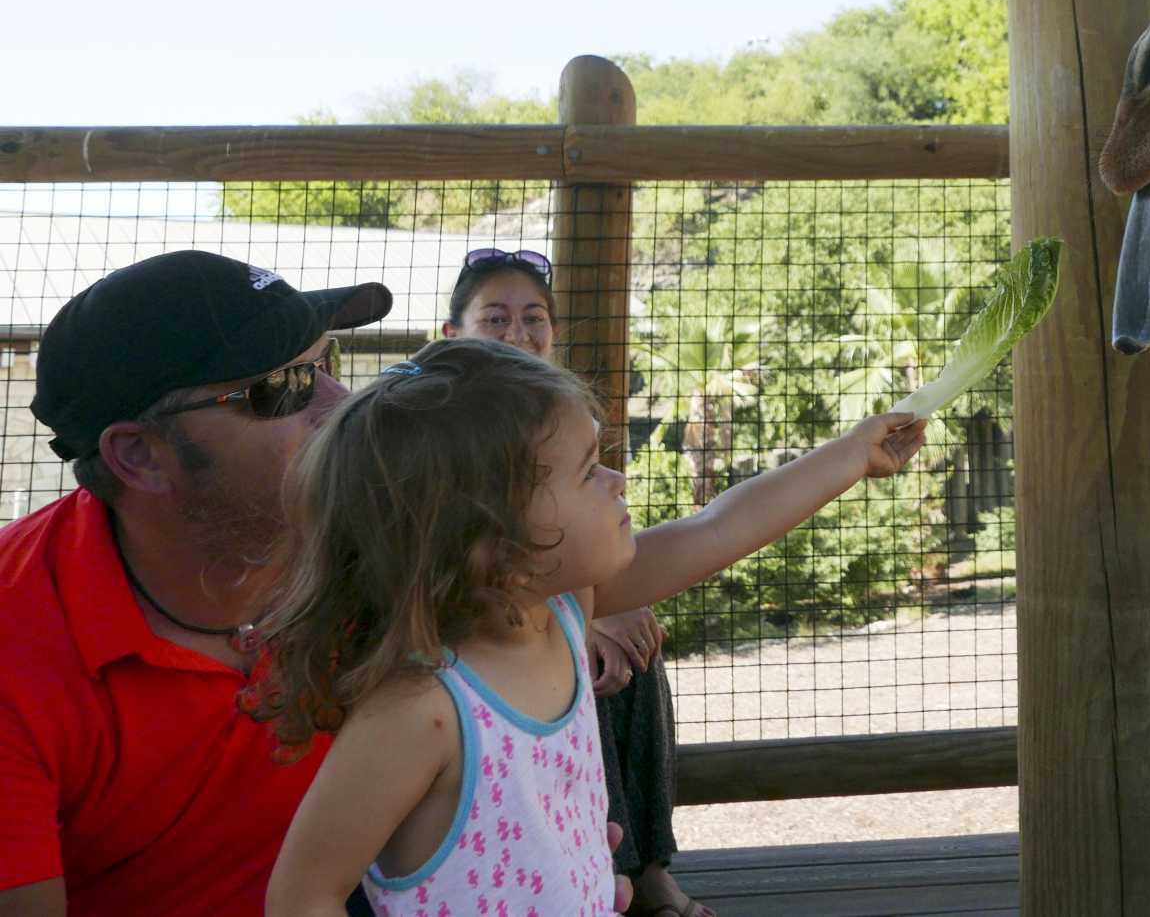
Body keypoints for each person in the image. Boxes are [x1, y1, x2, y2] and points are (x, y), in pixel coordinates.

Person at [255, 337, 926, 917]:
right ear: (491, 541)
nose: (613, 480)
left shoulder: (566, 611)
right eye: (585, 470)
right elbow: (302, 893)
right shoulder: (422, 711)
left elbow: (718, 526)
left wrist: (851, 455)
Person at [0, 250, 391, 917]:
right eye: (284, 388)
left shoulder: (357, 529)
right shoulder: (19, 645)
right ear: (140, 455)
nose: (343, 406)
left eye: (327, 364)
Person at [440, 247, 691, 917]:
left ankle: (645, 864)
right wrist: (585, 611)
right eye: (496, 318)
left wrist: (607, 604)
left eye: (534, 318)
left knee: (638, 650)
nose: (519, 333)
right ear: (454, 334)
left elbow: (693, 533)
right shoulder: (440, 437)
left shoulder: (561, 416)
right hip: (491, 654)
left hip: (563, 612)